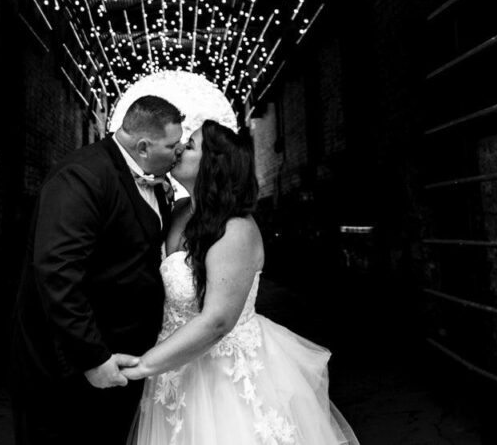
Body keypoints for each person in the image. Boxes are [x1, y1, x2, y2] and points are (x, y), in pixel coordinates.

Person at [123, 120, 362, 444]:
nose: (179, 148)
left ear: (214, 166)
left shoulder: (236, 229)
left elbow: (218, 321)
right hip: (174, 373)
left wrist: (144, 365)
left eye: (190, 145)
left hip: (225, 376)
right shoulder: (177, 210)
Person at [10, 94, 185, 445]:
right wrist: (92, 357)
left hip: (123, 359)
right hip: (72, 368)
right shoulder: (83, 176)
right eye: (173, 145)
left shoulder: (153, 179)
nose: (179, 151)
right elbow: (58, 270)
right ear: (144, 146)